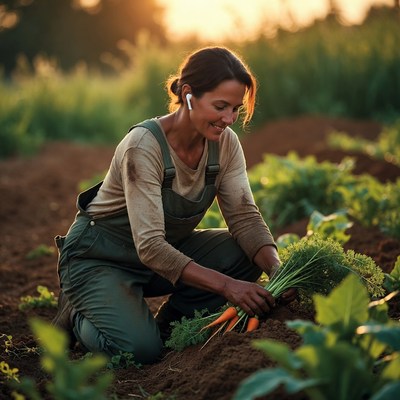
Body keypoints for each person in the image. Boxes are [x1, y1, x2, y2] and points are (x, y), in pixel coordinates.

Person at [52, 46, 296, 364]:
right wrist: (227, 287)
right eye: (220, 106)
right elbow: (151, 245)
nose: (229, 119)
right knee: (140, 351)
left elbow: (245, 217)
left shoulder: (225, 144)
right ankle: (79, 315)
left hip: (157, 258)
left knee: (242, 254)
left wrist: (278, 270)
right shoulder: (143, 146)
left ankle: (169, 326)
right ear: (188, 94)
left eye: (235, 109)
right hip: (99, 259)